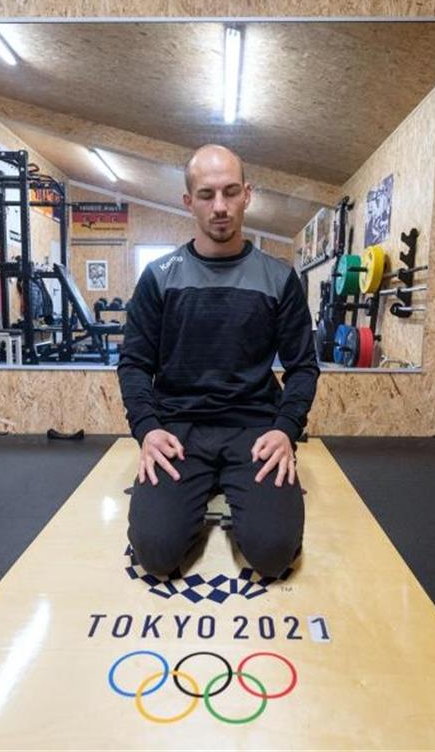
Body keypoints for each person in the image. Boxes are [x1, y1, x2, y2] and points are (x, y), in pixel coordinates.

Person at [117, 144, 320, 579]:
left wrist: (285, 431)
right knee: (155, 553)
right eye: (207, 195)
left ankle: (239, 492)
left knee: (272, 555)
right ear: (189, 201)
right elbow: (134, 364)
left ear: (248, 195)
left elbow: (303, 367)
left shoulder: (279, 279)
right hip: (177, 430)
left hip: (254, 428)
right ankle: (193, 492)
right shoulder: (159, 278)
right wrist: (147, 430)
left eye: (231, 192)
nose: (221, 207)